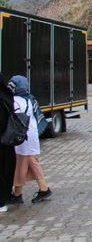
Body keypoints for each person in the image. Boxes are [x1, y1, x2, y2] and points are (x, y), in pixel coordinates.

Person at [7, 76, 52, 205]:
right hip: (30, 134)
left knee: (22, 164)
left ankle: (20, 193)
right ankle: (40, 189)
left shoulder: (15, 100)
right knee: (30, 162)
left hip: (21, 137)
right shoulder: (29, 99)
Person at [0, 75, 17, 213]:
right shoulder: (7, 95)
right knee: (6, 170)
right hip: (8, 141)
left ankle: (1, 202)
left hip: (2, 141)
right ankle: (5, 197)